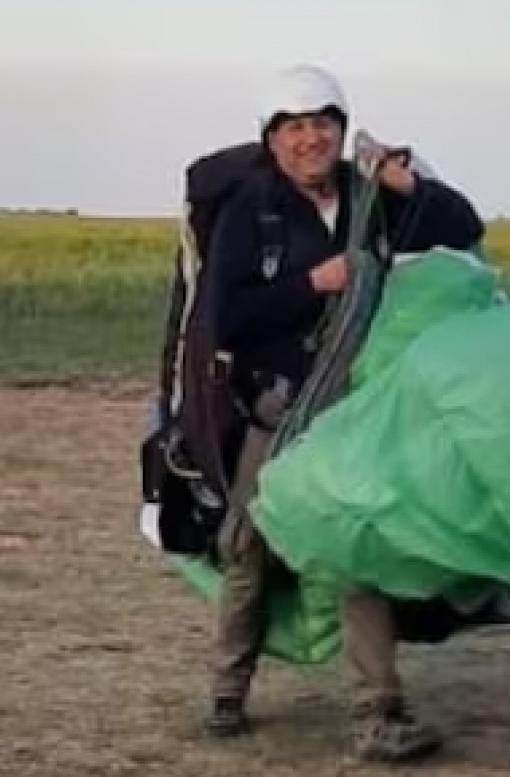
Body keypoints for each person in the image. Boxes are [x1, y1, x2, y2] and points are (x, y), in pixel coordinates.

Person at [200, 64, 486, 765]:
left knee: (356, 551)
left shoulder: (370, 197)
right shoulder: (253, 213)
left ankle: (378, 715)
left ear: (341, 129)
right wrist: (312, 283)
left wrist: (404, 183)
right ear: (272, 139)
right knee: (253, 551)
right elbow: (226, 318)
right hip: (279, 411)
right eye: (295, 127)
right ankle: (226, 694)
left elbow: (463, 228)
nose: (311, 139)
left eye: (322, 125)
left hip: (355, 416)